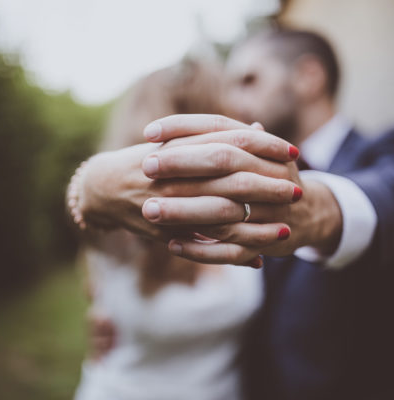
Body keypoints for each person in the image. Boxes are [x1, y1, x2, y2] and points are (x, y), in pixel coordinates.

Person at [72, 29, 394, 400]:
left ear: (308, 77)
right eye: (230, 87)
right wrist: (89, 186)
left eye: (249, 80)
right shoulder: (238, 183)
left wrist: (317, 209)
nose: (234, 100)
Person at [70, 59, 264, 400]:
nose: (244, 110)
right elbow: (88, 210)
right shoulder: (124, 216)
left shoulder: (249, 204)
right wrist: (89, 185)